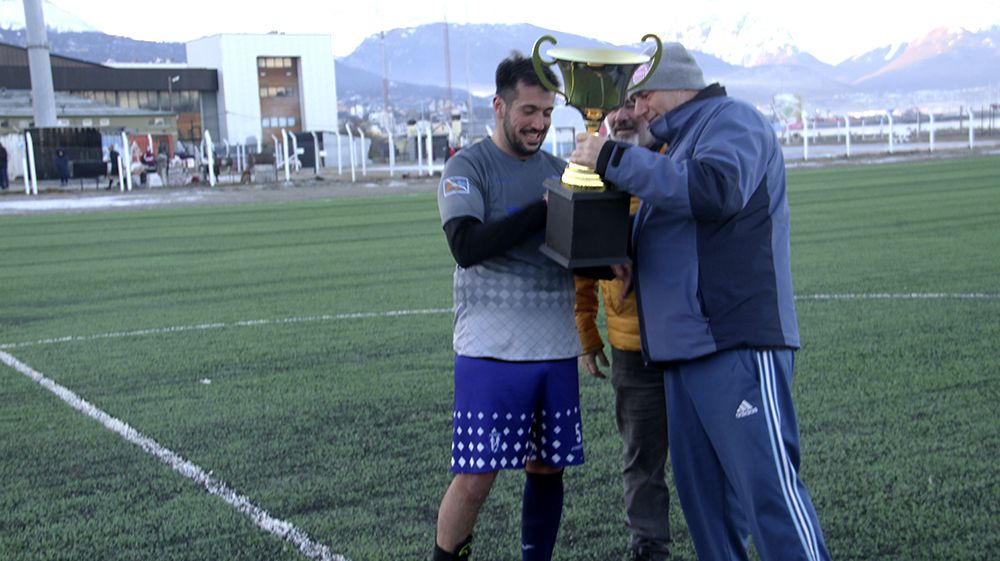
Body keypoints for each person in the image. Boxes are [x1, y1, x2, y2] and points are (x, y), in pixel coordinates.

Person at [569, 43, 831, 561]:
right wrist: (625, 253)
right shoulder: (677, 144)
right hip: (681, 354)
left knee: (769, 497)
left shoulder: (732, 120)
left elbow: (715, 190)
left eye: (641, 96)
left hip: (735, 343)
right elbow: (683, 227)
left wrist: (614, 159)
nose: (636, 110)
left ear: (676, 85)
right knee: (708, 511)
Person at [433, 52, 584, 561]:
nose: (539, 124)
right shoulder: (466, 166)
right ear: (500, 105)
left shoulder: (564, 171)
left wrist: (612, 258)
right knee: (475, 477)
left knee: (547, 468)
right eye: (528, 112)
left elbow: (579, 256)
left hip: (555, 348)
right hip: (490, 351)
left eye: (547, 113)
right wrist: (544, 211)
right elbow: (467, 246)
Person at [574, 100, 672, 561]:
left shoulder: (679, 160)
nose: (623, 116)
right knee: (642, 460)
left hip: (691, 342)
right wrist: (587, 335)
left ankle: (724, 540)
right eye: (615, 109)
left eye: (634, 103)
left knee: (708, 455)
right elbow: (580, 262)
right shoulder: (594, 169)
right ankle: (648, 549)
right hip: (631, 346)